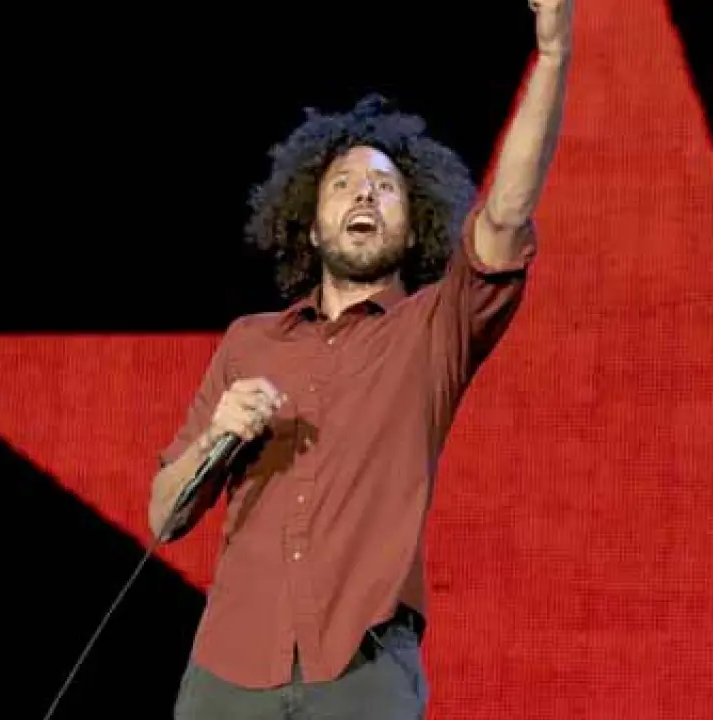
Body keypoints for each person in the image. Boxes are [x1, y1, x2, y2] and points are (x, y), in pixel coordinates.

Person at [146, 2, 573, 717]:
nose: (365, 193)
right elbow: (163, 516)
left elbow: (504, 216)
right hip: (229, 667)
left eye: (385, 186)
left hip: (362, 665)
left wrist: (554, 55)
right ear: (312, 227)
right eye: (343, 184)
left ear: (414, 224)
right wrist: (217, 432)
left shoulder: (431, 329)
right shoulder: (250, 340)